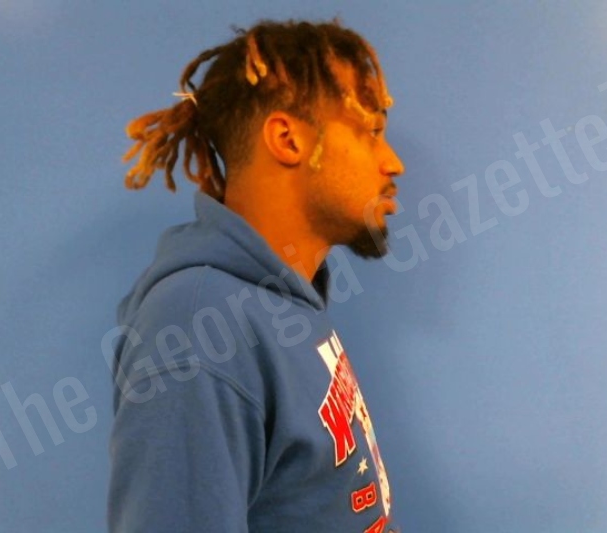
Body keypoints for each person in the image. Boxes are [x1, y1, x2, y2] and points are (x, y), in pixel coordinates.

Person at [108, 18, 406, 533]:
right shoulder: (198, 331)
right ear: (288, 139)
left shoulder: (281, 305)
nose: (392, 163)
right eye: (372, 133)